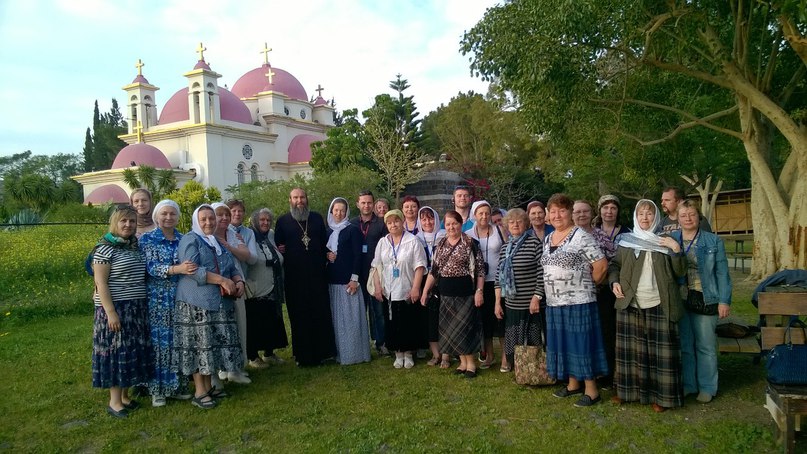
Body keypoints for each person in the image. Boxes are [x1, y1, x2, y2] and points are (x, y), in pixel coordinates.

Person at [608, 199, 687, 412]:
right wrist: (614, 281)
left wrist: (676, 249)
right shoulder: (626, 241)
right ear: (635, 216)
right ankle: (627, 392)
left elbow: (680, 272)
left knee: (660, 354)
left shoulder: (666, 240)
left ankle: (662, 397)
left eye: (649, 214)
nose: (645, 218)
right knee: (631, 353)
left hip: (661, 302)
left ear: (656, 217)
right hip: (630, 302)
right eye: (641, 213)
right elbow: (614, 265)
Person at [173, 204, 244, 410]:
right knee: (199, 346)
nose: (208, 222)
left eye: (211, 218)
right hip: (196, 302)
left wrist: (238, 282)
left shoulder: (216, 241)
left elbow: (231, 266)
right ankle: (199, 391)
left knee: (211, 344)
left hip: (219, 302)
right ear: (196, 220)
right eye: (203, 219)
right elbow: (192, 270)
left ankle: (211, 386)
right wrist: (222, 280)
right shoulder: (190, 239)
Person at [542, 194, 609, 407]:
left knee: (581, 345)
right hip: (555, 303)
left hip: (579, 302)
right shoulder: (548, 238)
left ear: (570, 212)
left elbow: (601, 266)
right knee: (564, 344)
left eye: (562, 210)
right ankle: (573, 384)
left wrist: (587, 286)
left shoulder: (581, 236)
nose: (557, 215)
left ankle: (592, 390)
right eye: (553, 211)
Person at [91, 205, 153, 418]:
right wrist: (111, 312)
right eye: (123, 221)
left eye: (132, 221)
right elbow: (101, 284)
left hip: (135, 308)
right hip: (115, 308)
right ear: (115, 223)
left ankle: (125, 397)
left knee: (130, 352)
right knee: (116, 353)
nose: (128, 225)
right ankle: (114, 402)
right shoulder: (104, 249)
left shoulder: (133, 246)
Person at [671, 199, 731, 403]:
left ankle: (707, 387)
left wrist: (724, 300)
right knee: (686, 344)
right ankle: (689, 384)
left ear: (699, 217)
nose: (688, 218)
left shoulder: (713, 241)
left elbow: (722, 274)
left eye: (692, 214)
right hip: (681, 298)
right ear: (677, 219)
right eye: (683, 215)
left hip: (706, 297)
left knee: (705, 345)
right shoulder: (671, 239)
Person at [139, 199, 195, 407]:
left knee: (178, 341)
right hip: (157, 298)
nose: (168, 217)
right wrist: (175, 269)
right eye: (164, 214)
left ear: (178, 217)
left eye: (172, 214)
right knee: (159, 343)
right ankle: (157, 390)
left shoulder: (183, 239)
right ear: (156, 216)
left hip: (180, 296)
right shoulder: (147, 239)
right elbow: (150, 267)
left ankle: (178, 387)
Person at [274, 187, 337, 367]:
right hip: (295, 278)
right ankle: (303, 355)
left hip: (317, 275)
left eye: (302, 197)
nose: (299, 201)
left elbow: (324, 243)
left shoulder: (316, 218)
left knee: (320, 313)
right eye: (295, 197)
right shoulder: (283, 221)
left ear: (307, 199)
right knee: (299, 315)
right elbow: (279, 246)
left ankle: (324, 352)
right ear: (290, 200)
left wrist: (328, 254)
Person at [421, 210, 485, 378]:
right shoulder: (441, 244)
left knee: (465, 328)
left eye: (454, 223)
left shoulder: (470, 243)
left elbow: (479, 270)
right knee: (452, 330)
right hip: (446, 293)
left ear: (460, 224)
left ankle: (471, 364)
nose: (451, 227)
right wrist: (425, 291)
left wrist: (479, 291)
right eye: (448, 224)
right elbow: (434, 270)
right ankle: (463, 363)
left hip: (465, 292)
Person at [372, 209, 428, 368]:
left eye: (396, 221)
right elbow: (376, 266)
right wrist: (377, 287)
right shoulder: (383, 242)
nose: (393, 225)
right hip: (388, 290)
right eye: (389, 222)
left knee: (408, 322)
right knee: (392, 323)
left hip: (407, 288)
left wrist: (416, 287)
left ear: (402, 222)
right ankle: (397, 353)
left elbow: (419, 266)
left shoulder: (413, 241)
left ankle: (409, 353)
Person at [494, 208, 544, 373]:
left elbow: (542, 273)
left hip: (530, 303)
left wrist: (537, 297)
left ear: (526, 224)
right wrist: (497, 303)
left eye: (519, 221)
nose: (515, 224)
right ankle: (516, 364)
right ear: (507, 225)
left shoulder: (534, 244)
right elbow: (497, 278)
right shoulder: (504, 248)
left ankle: (534, 367)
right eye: (511, 221)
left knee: (533, 336)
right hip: (511, 303)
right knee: (512, 336)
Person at [574, 199, 617, 386]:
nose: (582, 215)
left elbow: (614, 261)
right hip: (575, 296)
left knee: (604, 333)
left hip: (600, 293)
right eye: (578, 212)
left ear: (592, 214)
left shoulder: (601, 236)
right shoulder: (566, 237)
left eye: (585, 211)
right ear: (571, 214)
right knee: (582, 336)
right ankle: (581, 373)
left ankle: (605, 374)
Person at [326, 197, 371, 365]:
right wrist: (326, 255)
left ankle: (354, 354)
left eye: (342, 210)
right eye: (336, 210)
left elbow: (358, 256)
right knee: (337, 321)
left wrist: (355, 279)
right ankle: (338, 352)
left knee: (351, 321)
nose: (339, 213)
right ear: (331, 211)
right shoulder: (327, 231)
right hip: (333, 281)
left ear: (347, 212)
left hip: (348, 282)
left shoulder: (352, 230)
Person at [211, 202, 252, 385]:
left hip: (236, 283)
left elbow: (245, 256)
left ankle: (237, 367)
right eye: (220, 215)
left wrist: (240, 281)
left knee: (239, 326)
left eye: (227, 215)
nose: (225, 218)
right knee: (220, 331)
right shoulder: (206, 237)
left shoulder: (232, 235)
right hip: (215, 288)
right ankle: (222, 368)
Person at [244, 208, 289, 368]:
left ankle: (269, 353)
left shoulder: (270, 235)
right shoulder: (248, 235)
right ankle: (253, 356)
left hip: (272, 285)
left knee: (272, 319)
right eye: (262, 220)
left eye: (268, 220)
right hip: (256, 286)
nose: (265, 223)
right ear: (255, 221)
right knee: (256, 321)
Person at [466, 200, 506, 370]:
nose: (484, 216)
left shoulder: (499, 230)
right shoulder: (468, 234)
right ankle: (489, 356)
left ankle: (506, 357)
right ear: (474, 215)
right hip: (480, 283)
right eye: (480, 213)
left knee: (501, 320)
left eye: (487, 213)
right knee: (485, 321)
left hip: (499, 281)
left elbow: (507, 251)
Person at [351, 190, 389, 356]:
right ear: (357, 204)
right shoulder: (351, 224)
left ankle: (381, 342)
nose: (366, 205)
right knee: (358, 311)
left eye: (369, 202)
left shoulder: (381, 224)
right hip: (356, 273)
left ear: (373, 204)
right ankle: (360, 345)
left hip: (376, 274)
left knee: (378, 311)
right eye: (363, 202)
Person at [415, 206, 447, 367]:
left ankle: (447, 354)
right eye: (424, 219)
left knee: (444, 316)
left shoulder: (443, 236)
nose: (427, 222)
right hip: (423, 279)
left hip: (442, 279)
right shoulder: (416, 238)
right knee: (428, 318)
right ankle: (436, 354)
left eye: (430, 218)